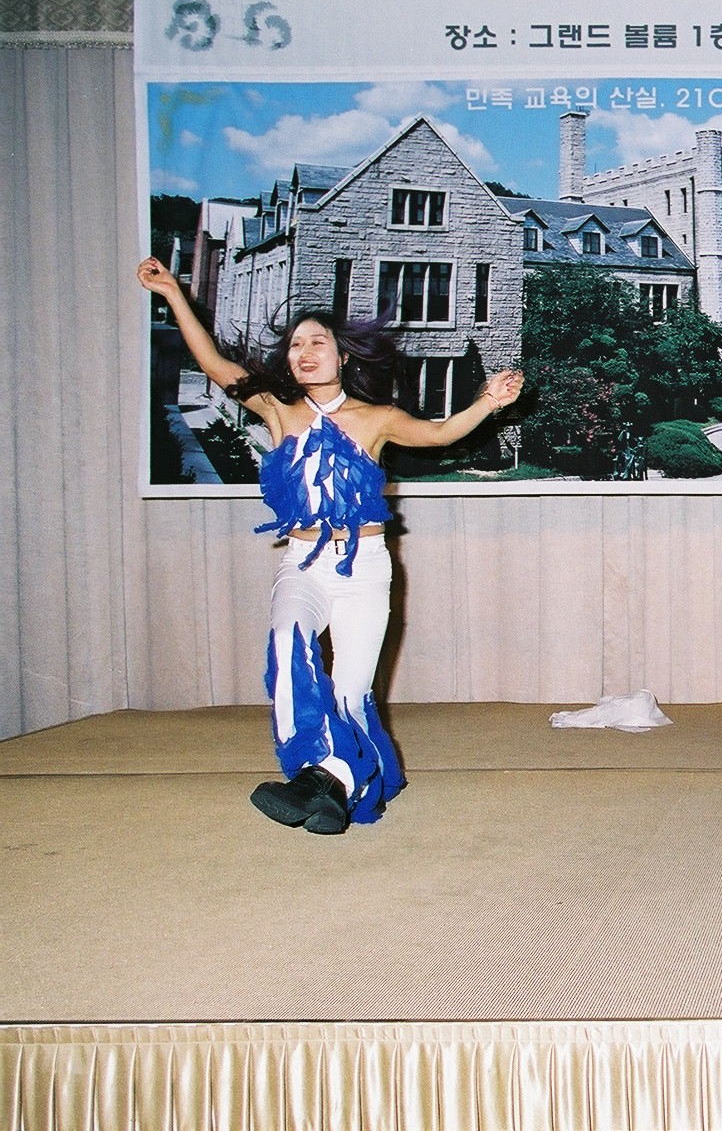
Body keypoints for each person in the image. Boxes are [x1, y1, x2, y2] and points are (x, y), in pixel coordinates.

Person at [137, 255, 524, 835]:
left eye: (317, 342)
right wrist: (172, 293)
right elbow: (214, 364)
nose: (304, 352)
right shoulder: (276, 410)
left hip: (365, 570)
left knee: (349, 693)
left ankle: (329, 785)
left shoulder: (376, 418)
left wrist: (488, 401)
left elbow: (440, 433)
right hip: (303, 564)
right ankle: (316, 775)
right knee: (287, 647)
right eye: (295, 345)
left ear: (342, 357)